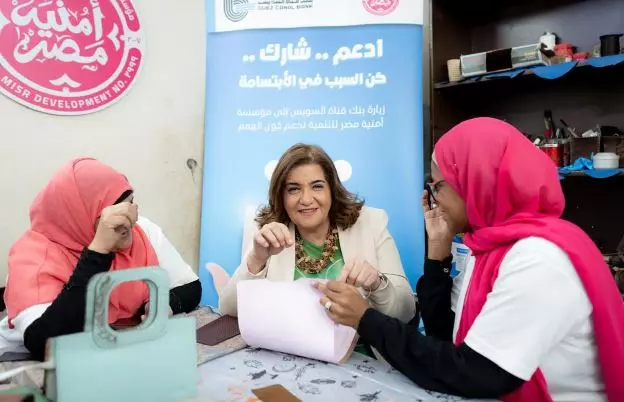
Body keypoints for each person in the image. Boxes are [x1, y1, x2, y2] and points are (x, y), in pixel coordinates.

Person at [315, 118, 624, 401]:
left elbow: (473, 372)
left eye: (438, 186)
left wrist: (365, 319)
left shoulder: (537, 259)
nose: (434, 199)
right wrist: (437, 253)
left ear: (476, 182)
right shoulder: (490, 246)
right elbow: (446, 336)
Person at [219, 143, 415, 355]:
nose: (306, 199)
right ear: (281, 196)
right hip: (289, 357)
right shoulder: (269, 230)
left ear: (332, 190)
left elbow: (406, 312)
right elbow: (229, 309)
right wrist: (257, 259)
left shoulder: (370, 223)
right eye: (293, 189)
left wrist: (377, 284)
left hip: (361, 360)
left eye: (317, 186)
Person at [1, 158, 201, 361]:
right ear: (80, 216)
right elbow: (46, 343)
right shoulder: (33, 256)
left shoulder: (142, 232)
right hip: (31, 359)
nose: (129, 223)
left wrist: (164, 306)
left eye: (130, 205)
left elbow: (191, 287)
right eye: (113, 216)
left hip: (114, 349)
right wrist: (98, 251)